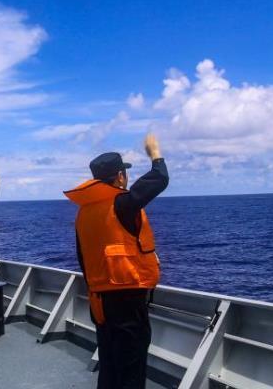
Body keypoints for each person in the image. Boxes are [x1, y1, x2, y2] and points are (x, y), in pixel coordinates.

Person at [64, 134, 167, 389]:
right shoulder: (121, 203)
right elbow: (159, 179)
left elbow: (83, 256)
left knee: (110, 364)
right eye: (124, 173)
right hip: (126, 299)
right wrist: (154, 152)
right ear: (120, 176)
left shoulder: (84, 213)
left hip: (99, 299)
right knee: (131, 367)